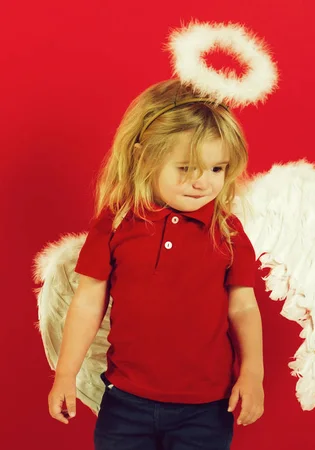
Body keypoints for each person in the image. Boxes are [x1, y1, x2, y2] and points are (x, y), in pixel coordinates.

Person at [47, 78, 265, 449]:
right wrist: (65, 373)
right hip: (125, 402)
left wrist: (253, 373)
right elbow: (86, 302)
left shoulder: (226, 232)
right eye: (186, 168)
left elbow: (243, 306)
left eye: (217, 169)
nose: (203, 183)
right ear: (145, 157)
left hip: (206, 409)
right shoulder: (116, 223)